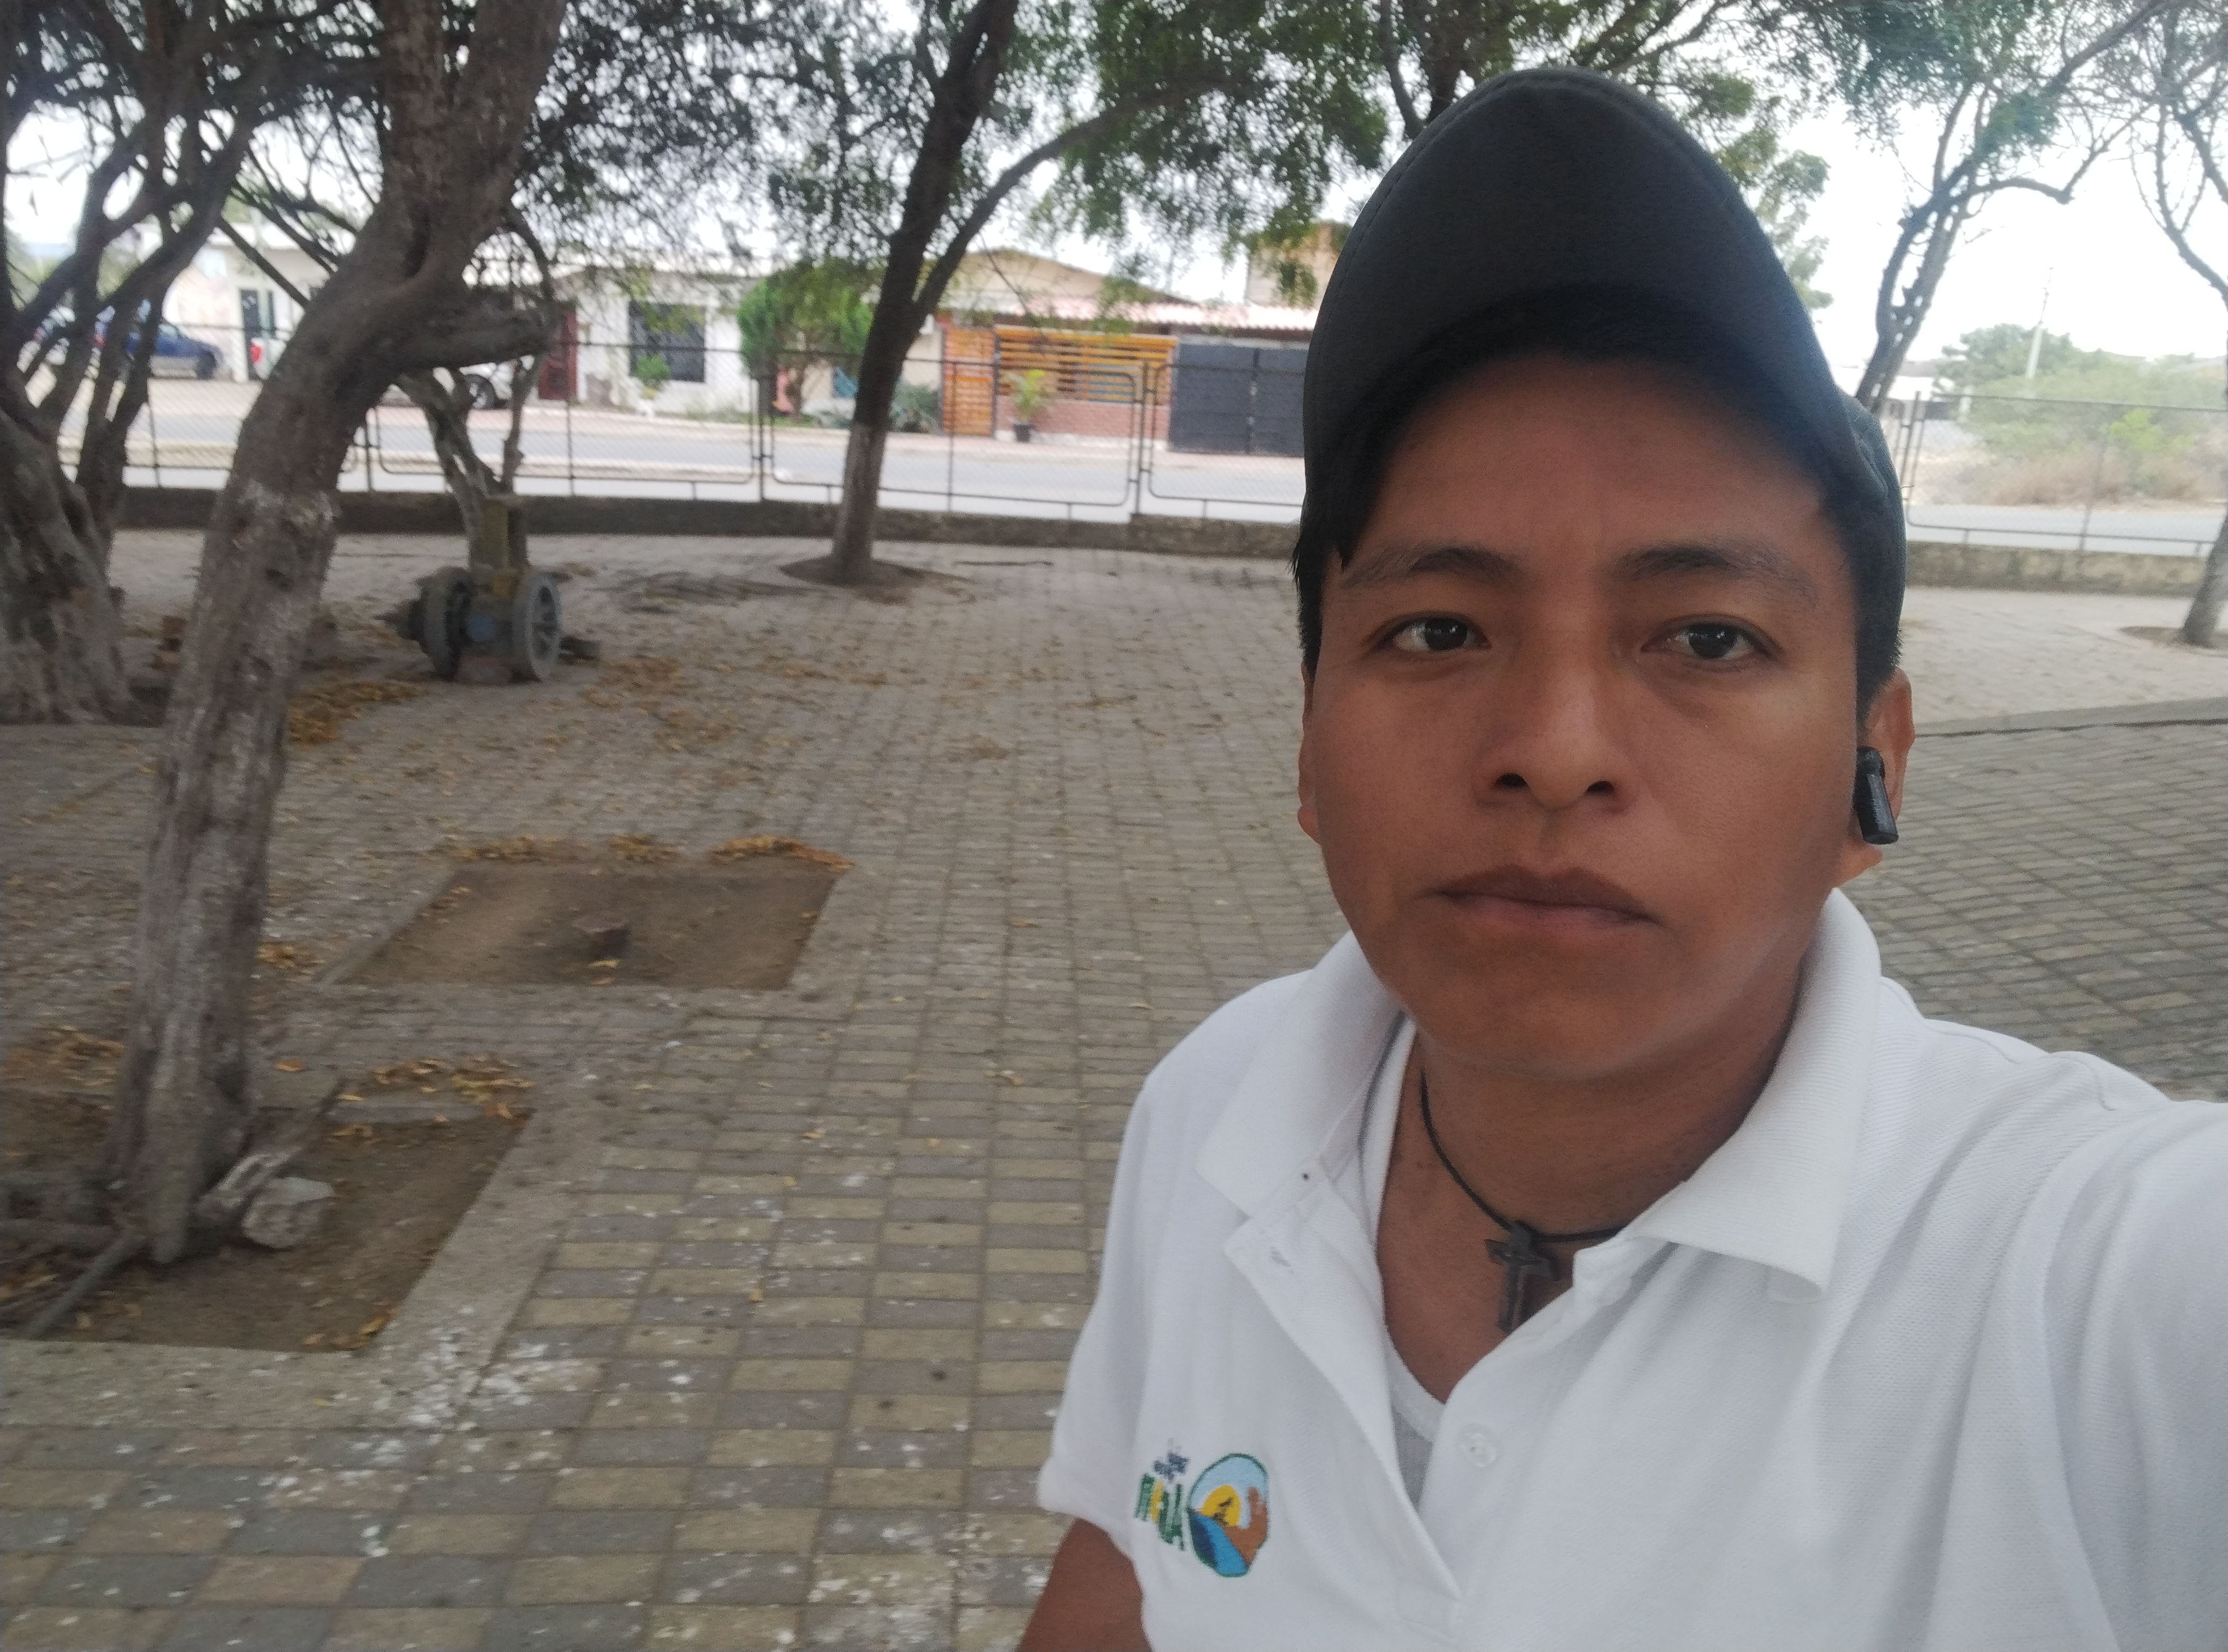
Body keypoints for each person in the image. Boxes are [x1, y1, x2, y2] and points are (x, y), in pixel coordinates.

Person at [1019, 68, 2226, 1652]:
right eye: (1437, 630)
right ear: (1310, 747)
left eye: (1707, 638)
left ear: (1873, 771)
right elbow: (1127, 1567)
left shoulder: (2097, 1280)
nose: (1554, 746)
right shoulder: (1217, 1113)